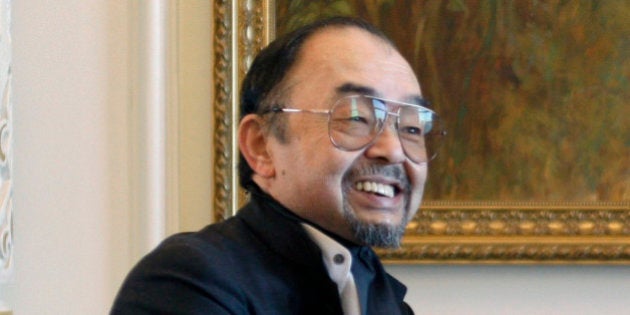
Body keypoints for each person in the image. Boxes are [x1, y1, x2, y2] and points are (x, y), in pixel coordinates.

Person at [111, 16, 444, 315]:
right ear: (261, 146)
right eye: (356, 117)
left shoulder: (384, 298)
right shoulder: (187, 282)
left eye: (412, 128)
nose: (393, 150)